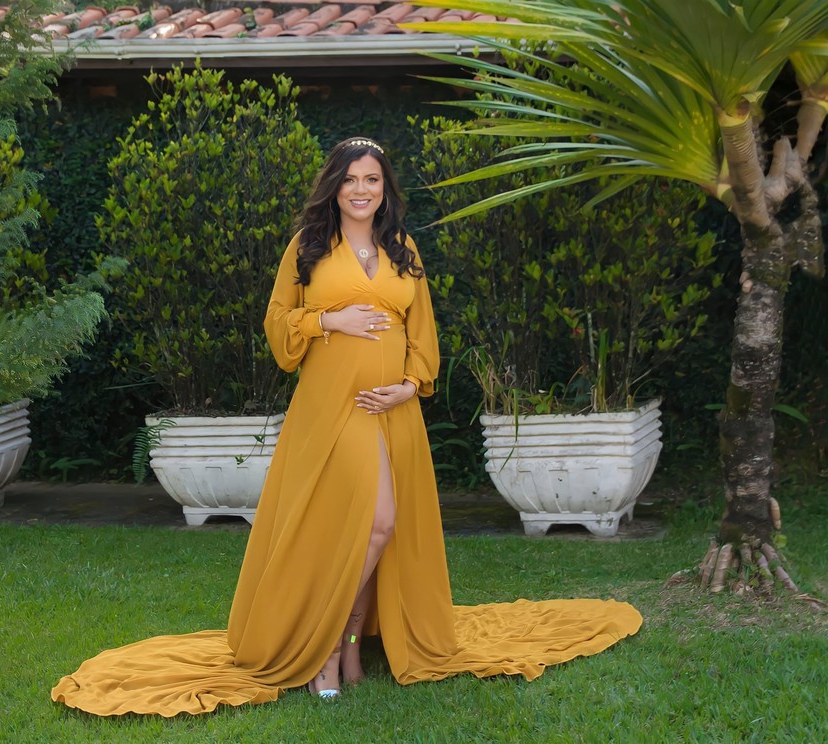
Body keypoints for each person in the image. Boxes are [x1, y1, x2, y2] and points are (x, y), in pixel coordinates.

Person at [51, 137, 642, 716]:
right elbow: (278, 322)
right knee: (375, 522)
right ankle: (327, 649)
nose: (361, 190)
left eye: (372, 180)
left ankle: (353, 646)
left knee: (374, 529)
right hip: (333, 406)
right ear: (334, 187)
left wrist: (410, 385)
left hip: (393, 410)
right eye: (351, 180)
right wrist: (329, 320)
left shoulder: (403, 248)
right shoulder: (308, 246)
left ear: (386, 189)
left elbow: (423, 332)